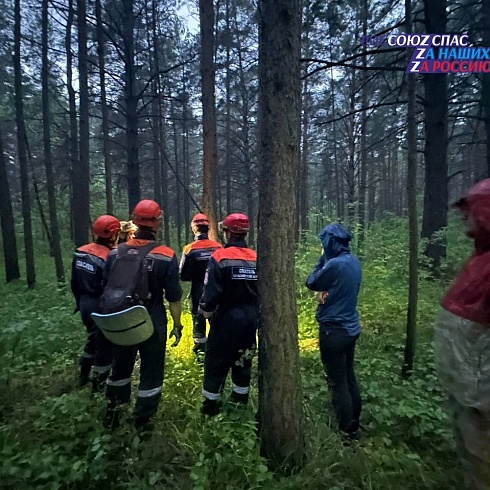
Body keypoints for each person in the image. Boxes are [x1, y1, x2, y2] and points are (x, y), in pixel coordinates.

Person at [103, 199, 183, 429]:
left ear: (134, 221)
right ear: (156, 223)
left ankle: (113, 416)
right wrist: (177, 325)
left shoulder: (114, 253)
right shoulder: (166, 255)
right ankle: (143, 423)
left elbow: (105, 286)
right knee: (151, 372)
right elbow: (174, 298)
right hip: (152, 319)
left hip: (120, 318)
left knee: (120, 368)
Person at [434, 179, 490, 489]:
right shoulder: (480, 258)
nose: (462, 216)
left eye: (470, 209)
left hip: (482, 392)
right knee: (473, 456)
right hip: (469, 388)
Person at [305, 224, 362, 437]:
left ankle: (347, 430)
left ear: (330, 243)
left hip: (333, 331)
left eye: (324, 243)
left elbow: (311, 282)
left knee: (338, 382)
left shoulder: (335, 264)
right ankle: (355, 419)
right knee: (348, 377)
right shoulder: (353, 262)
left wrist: (322, 259)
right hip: (350, 329)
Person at [198, 213, 258, 416]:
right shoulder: (257, 258)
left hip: (225, 321)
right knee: (243, 364)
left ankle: (209, 410)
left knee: (215, 365)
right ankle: (239, 409)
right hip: (251, 321)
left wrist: (204, 313)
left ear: (228, 232)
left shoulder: (219, 257)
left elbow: (211, 293)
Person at [70, 214, 120, 391]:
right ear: (114, 234)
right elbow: (110, 286)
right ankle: (97, 387)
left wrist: (79, 302)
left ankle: (83, 376)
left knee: (92, 339)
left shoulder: (81, 251)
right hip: (99, 305)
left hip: (83, 303)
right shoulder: (109, 257)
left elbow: (74, 282)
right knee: (104, 347)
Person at [180, 213, 222, 355]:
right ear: (208, 228)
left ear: (193, 229)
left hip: (198, 292)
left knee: (198, 326)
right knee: (217, 325)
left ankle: (200, 357)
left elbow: (183, 276)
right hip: (217, 294)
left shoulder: (189, 249)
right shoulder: (218, 248)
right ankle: (217, 354)